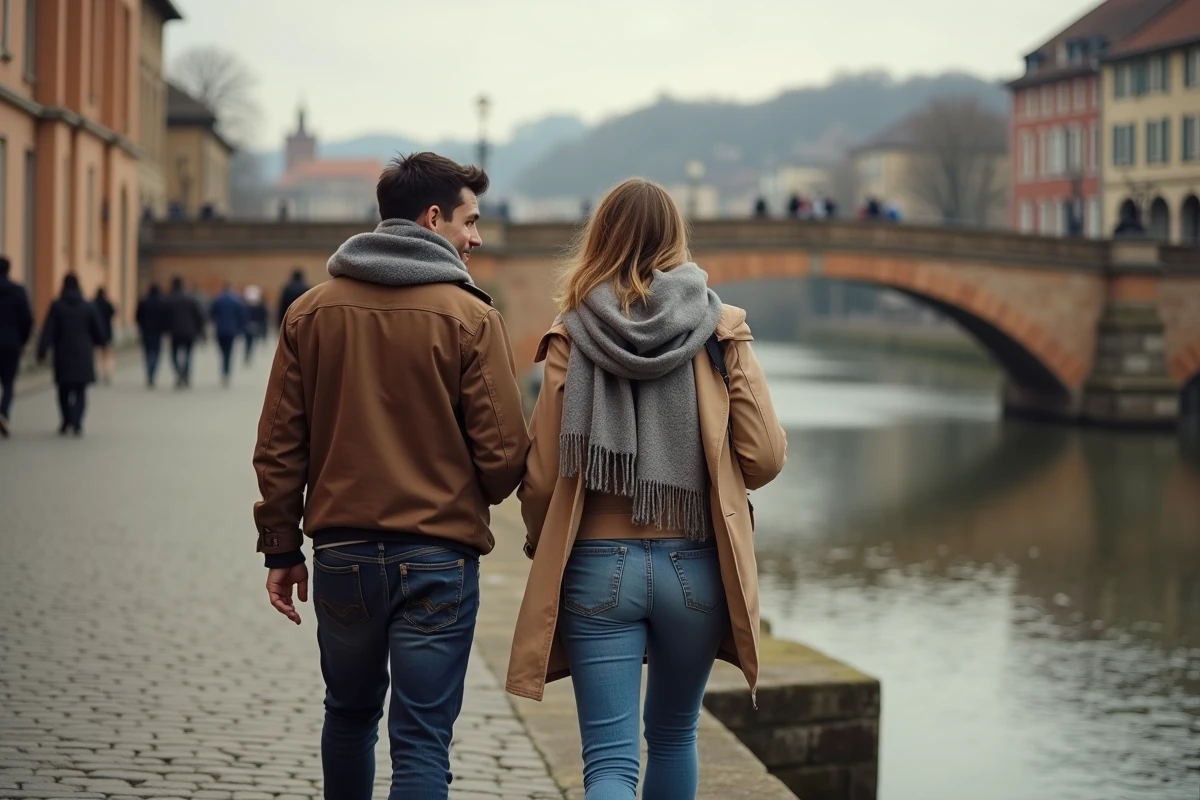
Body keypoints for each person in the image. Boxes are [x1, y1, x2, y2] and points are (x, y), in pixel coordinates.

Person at [252, 152, 530, 799]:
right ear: (433, 218)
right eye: (470, 221)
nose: (477, 237)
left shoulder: (311, 312)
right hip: (438, 556)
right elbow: (502, 457)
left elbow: (278, 445)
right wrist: (472, 489)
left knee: (347, 715)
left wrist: (281, 546)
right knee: (422, 737)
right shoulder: (472, 318)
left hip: (344, 553)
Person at [507, 179, 788, 800]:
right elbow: (765, 456)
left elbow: (543, 477)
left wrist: (538, 541)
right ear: (675, 238)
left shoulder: (572, 331)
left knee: (609, 762)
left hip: (596, 566)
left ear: (599, 239)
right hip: (695, 567)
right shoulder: (720, 328)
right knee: (674, 735)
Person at [37, 274, 105, 436]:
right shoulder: (88, 306)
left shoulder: (57, 306)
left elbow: (48, 331)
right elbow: (98, 330)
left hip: (63, 353)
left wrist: (42, 351)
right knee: (80, 390)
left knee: (63, 390)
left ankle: (66, 420)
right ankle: (77, 422)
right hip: (83, 353)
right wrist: (101, 342)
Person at [0, 256, 34, 437]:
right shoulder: (18, 291)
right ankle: (3, 412)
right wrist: (24, 341)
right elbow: (27, 319)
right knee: (8, 382)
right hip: (11, 344)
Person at [163, 276, 206, 389]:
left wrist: (165, 330)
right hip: (189, 332)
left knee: (174, 355)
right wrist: (201, 331)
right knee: (188, 355)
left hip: (175, 332)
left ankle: (179, 372)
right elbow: (199, 317)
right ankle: (185, 375)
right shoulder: (190, 299)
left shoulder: (169, 299)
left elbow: (165, 318)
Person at [210, 284, 249, 387]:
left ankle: (224, 371)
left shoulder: (218, 300)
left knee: (222, 352)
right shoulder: (236, 301)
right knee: (229, 352)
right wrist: (242, 329)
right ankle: (226, 372)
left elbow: (212, 315)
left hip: (220, 330)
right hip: (232, 330)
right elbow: (242, 317)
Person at [135, 284, 168, 388]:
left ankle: (149, 372)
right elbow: (165, 319)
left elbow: (137, 317)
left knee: (147, 353)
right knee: (156, 353)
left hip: (146, 332)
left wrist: (141, 327)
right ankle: (152, 372)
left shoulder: (143, 302)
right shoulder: (162, 303)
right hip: (157, 333)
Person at [93, 287, 117, 384]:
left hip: (96, 333)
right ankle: (107, 373)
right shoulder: (107, 304)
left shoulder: (93, 304)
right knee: (107, 355)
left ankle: (97, 372)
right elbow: (114, 312)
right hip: (107, 333)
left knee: (98, 354)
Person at [243, 285, 269, 365]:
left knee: (249, 342)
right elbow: (263, 316)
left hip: (250, 325)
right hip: (254, 325)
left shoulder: (246, 306)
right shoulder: (259, 306)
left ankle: (248, 355)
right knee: (250, 341)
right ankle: (248, 355)